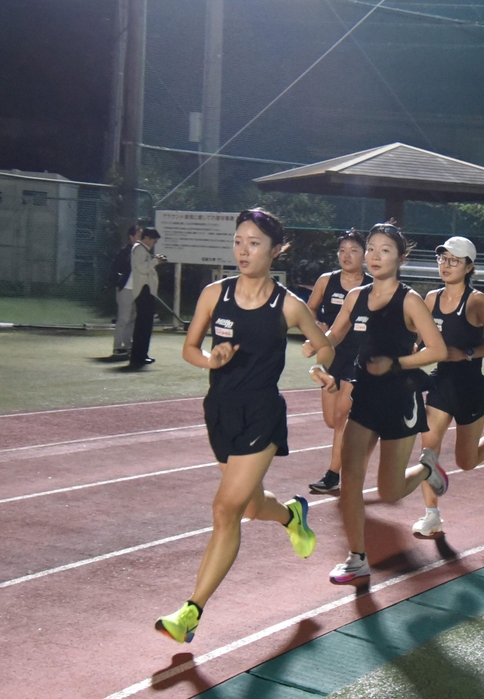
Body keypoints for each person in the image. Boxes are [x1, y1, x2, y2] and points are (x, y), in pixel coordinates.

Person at [155, 208, 336, 644]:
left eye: (254, 243)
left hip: (261, 414)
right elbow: (189, 348)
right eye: (239, 241)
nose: (243, 250)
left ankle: (191, 611)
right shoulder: (214, 294)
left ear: (276, 250)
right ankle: (292, 514)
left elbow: (325, 345)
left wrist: (324, 367)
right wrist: (209, 359)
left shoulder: (288, 305)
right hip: (219, 410)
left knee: (225, 510)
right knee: (252, 507)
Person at [311, 221, 447, 584]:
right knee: (350, 476)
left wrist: (396, 363)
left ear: (400, 257)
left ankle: (427, 468)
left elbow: (437, 350)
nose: (373, 256)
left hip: (400, 398)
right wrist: (317, 350)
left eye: (384, 250)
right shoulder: (356, 296)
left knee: (388, 492)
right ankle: (357, 558)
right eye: (370, 248)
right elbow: (333, 336)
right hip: (365, 396)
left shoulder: (410, 300)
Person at [412, 236, 484, 537]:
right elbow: (419, 337)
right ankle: (431, 515)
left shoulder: (475, 301)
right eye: (442, 258)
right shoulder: (431, 298)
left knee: (466, 461)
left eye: (454, 260)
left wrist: (468, 353)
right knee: (428, 452)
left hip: (470, 385)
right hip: (441, 381)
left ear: (469, 266)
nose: (445, 265)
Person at [306, 229, 373, 494]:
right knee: (332, 420)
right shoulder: (327, 280)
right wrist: (317, 328)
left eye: (353, 250)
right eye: (342, 250)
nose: (347, 255)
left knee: (342, 414)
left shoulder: (371, 284)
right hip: (331, 353)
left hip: (358, 355)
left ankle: (334, 473)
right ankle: (361, 438)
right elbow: (309, 308)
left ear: (364, 255)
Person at [128, 227, 166, 369]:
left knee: (144, 325)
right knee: (143, 325)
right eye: (154, 240)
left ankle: (141, 355)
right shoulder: (139, 249)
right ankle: (139, 356)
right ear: (148, 238)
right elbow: (142, 268)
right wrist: (155, 261)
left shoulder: (141, 249)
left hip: (146, 290)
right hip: (144, 290)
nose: (154, 243)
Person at [109, 224, 141, 358]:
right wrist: (117, 282)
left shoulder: (143, 252)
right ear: (131, 237)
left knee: (132, 318)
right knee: (123, 318)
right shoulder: (125, 251)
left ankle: (128, 345)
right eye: (139, 235)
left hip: (137, 290)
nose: (141, 238)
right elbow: (115, 268)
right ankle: (117, 347)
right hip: (126, 289)